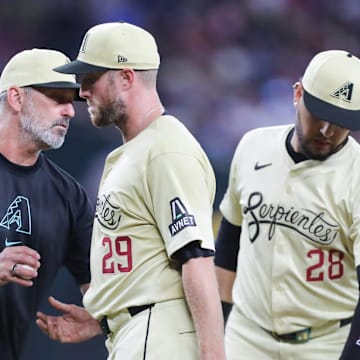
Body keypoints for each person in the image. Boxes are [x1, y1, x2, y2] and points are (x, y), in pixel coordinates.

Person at [36, 22, 226, 360]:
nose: (82, 91)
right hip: (136, 332)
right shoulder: (135, 151)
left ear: (126, 77)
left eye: (92, 78)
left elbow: (196, 260)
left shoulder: (167, 150)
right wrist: (105, 318)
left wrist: (214, 355)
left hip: (159, 335)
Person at [214, 49, 360, 360]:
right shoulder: (253, 145)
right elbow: (229, 242)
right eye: (320, 114)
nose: (327, 131)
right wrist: (214, 331)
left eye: (341, 121)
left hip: (325, 344)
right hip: (245, 335)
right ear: (297, 94)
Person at [0, 48, 94, 360]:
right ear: (16, 98)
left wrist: (101, 321)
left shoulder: (68, 195)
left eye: (73, 101)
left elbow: (100, 284)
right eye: (57, 97)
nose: (69, 111)